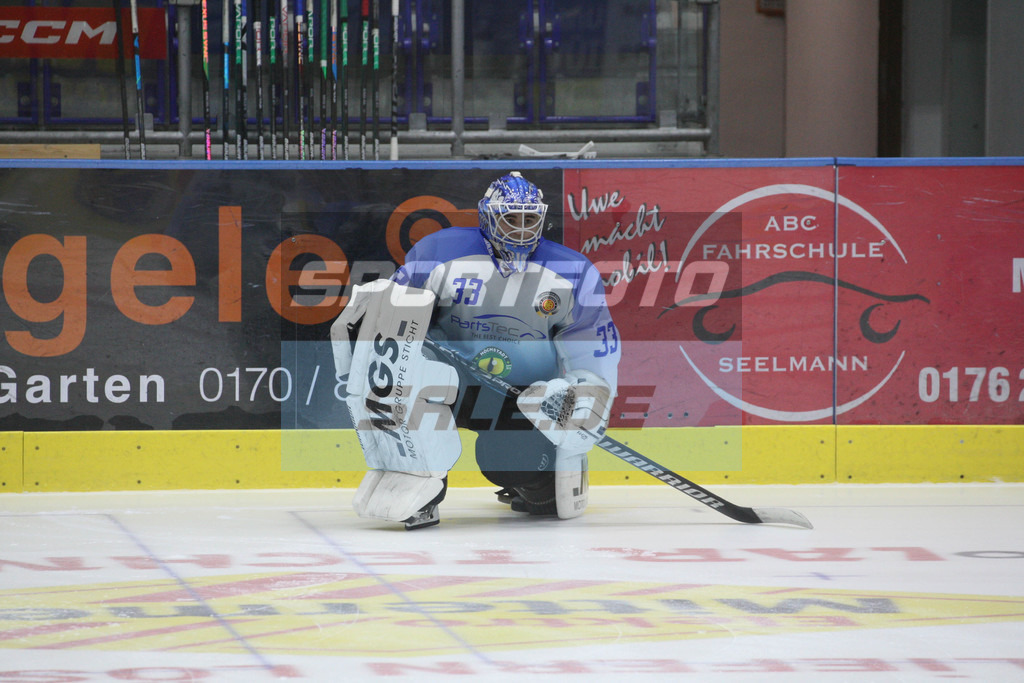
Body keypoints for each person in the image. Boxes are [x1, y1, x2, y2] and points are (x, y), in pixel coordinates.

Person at [331, 172, 620, 529]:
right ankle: (416, 480)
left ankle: (538, 479)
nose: (520, 229)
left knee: (511, 462)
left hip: (523, 397)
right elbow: (396, 315)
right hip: (451, 384)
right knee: (403, 382)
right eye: (511, 218)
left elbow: (595, 350)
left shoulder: (574, 271)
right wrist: (372, 323)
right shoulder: (438, 251)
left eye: (529, 220)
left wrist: (584, 395)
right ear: (488, 216)